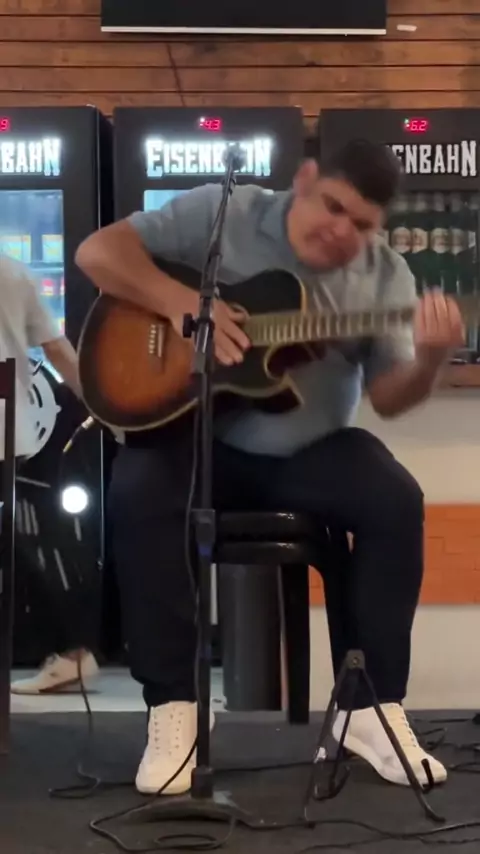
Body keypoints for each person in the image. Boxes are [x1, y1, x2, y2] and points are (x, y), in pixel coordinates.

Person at [75, 140, 464, 796]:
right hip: (198, 441)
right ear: (305, 180)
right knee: (138, 484)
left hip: (306, 453)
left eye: (361, 224)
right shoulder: (224, 211)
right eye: (333, 207)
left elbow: (388, 397)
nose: (341, 231)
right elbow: (97, 253)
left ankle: (368, 710)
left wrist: (429, 360)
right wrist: (181, 301)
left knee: (394, 496)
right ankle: (174, 708)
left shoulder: (385, 277)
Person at [0, 253, 98, 694]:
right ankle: (73, 653)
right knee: (36, 544)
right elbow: (58, 350)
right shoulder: (13, 271)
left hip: (14, 430)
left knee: (32, 545)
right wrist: (105, 406)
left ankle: (73, 653)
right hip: (15, 429)